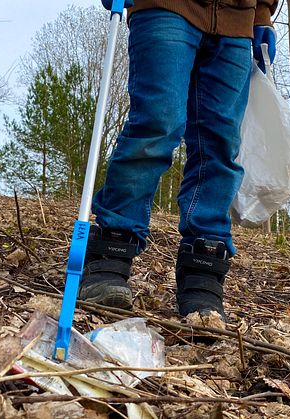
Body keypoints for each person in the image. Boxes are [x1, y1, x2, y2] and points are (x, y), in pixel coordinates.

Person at [80, 0, 278, 321]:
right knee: (158, 123)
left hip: (236, 19)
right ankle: (111, 253)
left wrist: (263, 13)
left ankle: (204, 266)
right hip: (165, 6)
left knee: (221, 144)